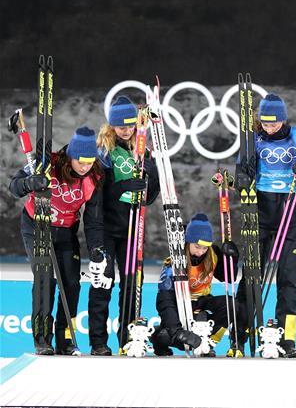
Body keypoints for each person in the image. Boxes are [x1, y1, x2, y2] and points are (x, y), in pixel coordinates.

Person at [234, 93, 296, 357]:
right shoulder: (252, 140)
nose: (269, 128)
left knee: (289, 279)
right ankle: (240, 335)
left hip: (291, 215)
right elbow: (240, 174)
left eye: (274, 123)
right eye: (265, 123)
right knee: (251, 278)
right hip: (260, 215)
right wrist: (242, 180)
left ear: (283, 119)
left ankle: (286, 339)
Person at [9, 126, 104, 355]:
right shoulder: (47, 163)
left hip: (66, 232)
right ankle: (42, 337)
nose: (85, 167)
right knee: (45, 279)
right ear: (71, 157)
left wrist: (96, 249)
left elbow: (93, 221)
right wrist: (29, 183)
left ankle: (65, 339)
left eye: (89, 162)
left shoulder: (94, 178)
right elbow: (14, 187)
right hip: (36, 226)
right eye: (81, 162)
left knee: (71, 283)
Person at [87, 95, 160, 355]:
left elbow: (149, 198)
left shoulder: (142, 150)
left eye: (130, 125)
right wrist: (123, 186)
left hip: (132, 228)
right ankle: (98, 342)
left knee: (131, 284)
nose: (127, 130)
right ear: (112, 126)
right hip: (107, 227)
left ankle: (128, 339)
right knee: (103, 283)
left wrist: (152, 173)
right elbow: (97, 195)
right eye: (121, 126)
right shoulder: (104, 151)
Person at [151, 213, 240, 356]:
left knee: (232, 305)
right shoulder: (175, 260)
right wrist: (178, 332)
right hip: (181, 304)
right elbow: (164, 300)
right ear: (188, 242)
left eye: (205, 248)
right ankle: (158, 336)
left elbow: (229, 278)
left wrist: (232, 259)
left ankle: (207, 342)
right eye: (197, 247)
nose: (201, 252)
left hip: (204, 301)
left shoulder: (212, 254)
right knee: (170, 337)